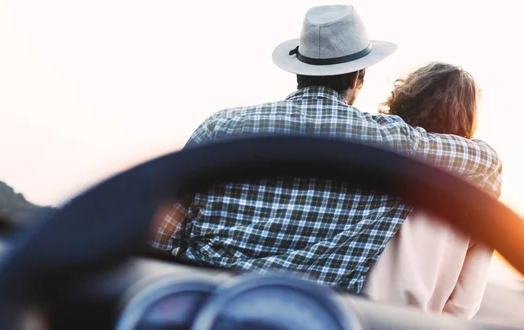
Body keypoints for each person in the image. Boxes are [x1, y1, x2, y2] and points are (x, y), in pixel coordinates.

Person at [149, 5, 502, 294]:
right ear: (358, 77)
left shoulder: (221, 127)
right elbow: (487, 163)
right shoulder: (393, 144)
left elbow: (157, 237)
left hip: (201, 309)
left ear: (298, 71)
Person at [362, 62, 493, 318]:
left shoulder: (375, 159)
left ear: (407, 98)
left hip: (357, 313)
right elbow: (464, 305)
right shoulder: (480, 193)